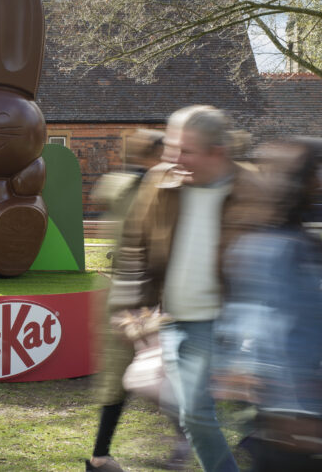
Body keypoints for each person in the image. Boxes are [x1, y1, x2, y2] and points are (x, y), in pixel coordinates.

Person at [104, 106, 264, 472]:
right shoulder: (161, 182)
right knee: (193, 414)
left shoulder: (251, 189)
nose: (172, 157)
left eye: (185, 150)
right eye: (171, 146)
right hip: (177, 320)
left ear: (216, 153)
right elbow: (135, 245)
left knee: (216, 413)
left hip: (230, 322)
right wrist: (129, 306)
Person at [214, 139, 322, 471]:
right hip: (292, 422)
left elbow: (242, 324)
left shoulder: (254, 246)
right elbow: (277, 332)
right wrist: (297, 411)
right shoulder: (282, 251)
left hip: (276, 418)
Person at [88, 129, 191, 472]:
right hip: (147, 295)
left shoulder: (116, 186)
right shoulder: (156, 190)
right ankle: (182, 440)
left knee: (125, 379)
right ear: (152, 155)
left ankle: (100, 455)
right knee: (160, 370)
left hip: (123, 293)